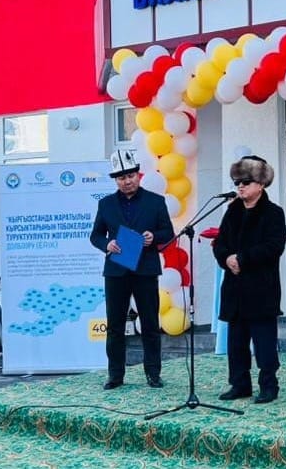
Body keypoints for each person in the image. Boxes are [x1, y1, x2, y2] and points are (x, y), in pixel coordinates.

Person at [90, 148, 173, 390]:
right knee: (115, 325)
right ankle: (115, 375)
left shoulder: (155, 201)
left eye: (130, 176)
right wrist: (107, 244)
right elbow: (95, 235)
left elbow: (167, 232)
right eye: (121, 178)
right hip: (116, 270)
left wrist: (153, 237)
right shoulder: (106, 204)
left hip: (145, 269)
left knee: (150, 323)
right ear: (115, 180)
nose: (127, 181)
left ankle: (153, 373)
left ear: (138, 175)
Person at [214, 155, 286, 404]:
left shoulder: (273, 213)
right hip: (235, 288)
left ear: (261, 184)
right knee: (236, 342)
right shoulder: (232, 211)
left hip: (261, 289)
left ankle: (269, 385)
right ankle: (239, 384)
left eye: (246, 182)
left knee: (264, 341)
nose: (240, 187)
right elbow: (220, 243)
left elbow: (274, 246)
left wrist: (242, 259)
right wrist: (227, 259)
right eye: (237, 182)